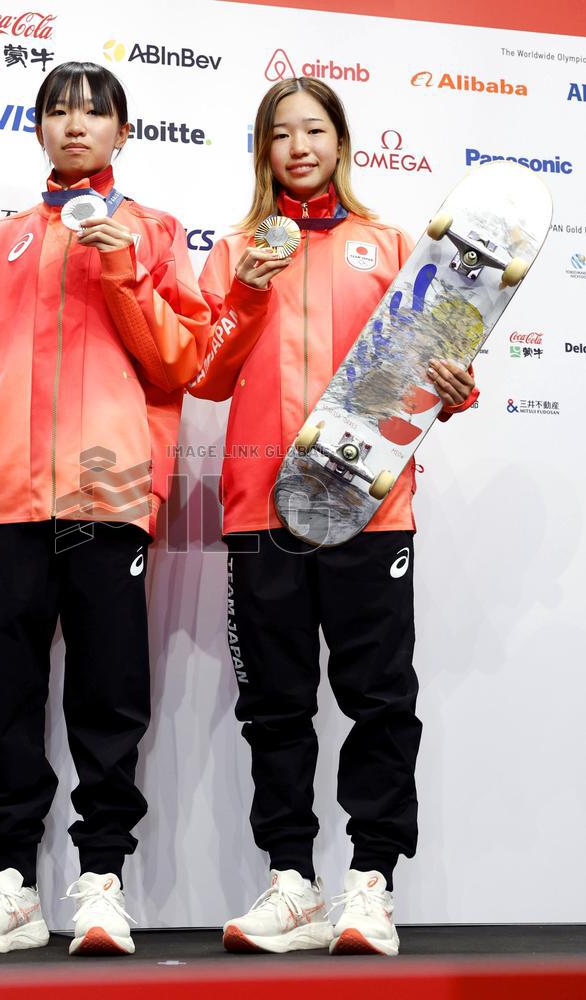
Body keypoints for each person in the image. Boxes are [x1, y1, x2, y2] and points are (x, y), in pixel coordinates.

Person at [0, 62, 209, 956]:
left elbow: (183, 362)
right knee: (6, 697)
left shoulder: (156, 232)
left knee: (110, 695)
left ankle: (103, 880)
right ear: (39, 129)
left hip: (108, 490)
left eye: (93, 113)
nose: (74, 125)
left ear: (122, 132)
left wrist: (126, 273)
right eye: (58, 110)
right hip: (1, 493)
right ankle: (12, 883)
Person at [188, 77, 478, 957]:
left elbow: (433, 365)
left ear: (342, 144)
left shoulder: (391, 243)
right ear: (263, 152)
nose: (300, 147)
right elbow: (204, 374)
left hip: (371, 509)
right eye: (282, 134)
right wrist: (243, 293)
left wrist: (456, 391)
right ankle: (291, 883)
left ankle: (370, 882)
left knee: (380, 699)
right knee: (274, 706)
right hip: (259, 510)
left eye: (315, 130)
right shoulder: (234, 250)